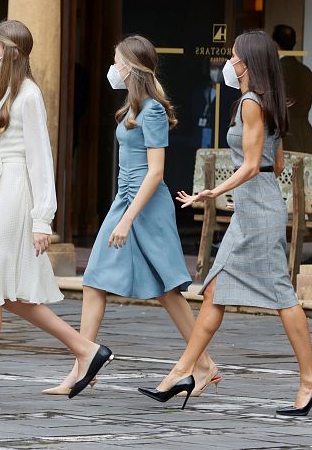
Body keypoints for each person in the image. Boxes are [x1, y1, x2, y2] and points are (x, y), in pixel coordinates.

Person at [139, 30, 312, 416]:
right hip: (255, 208)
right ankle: (185, 371)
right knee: (215, 291)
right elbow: (275, 163)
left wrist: (212, 191)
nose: (229, 61)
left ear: (247, 62)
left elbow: (254, 165)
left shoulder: (251, 103)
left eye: (234, 55)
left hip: (258, 213)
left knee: (281, 296)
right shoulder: (264, 102)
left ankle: (311, 380)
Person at [0, 19, 113, 407]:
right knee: (8, 294)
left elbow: (39, 159)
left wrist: (41, 220)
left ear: (12, 54)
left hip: (16, 193)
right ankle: (86, 350)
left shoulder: (29, 95)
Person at [44, 35, 220, 398]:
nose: (113, 67)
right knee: (95, 280)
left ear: (130, 66)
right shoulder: (132, 109)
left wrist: (127, 220)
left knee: (167, 289)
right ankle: (83, 365)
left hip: (144, 206)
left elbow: (156, 172)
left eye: (116, 60)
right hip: (125, 200)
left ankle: (204, 365)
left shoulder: (153, 109)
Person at [272, 24, 312, 155]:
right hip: (304, 136)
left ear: (275, 44)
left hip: (282, 137)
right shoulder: (306, 71)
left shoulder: (275, 71)